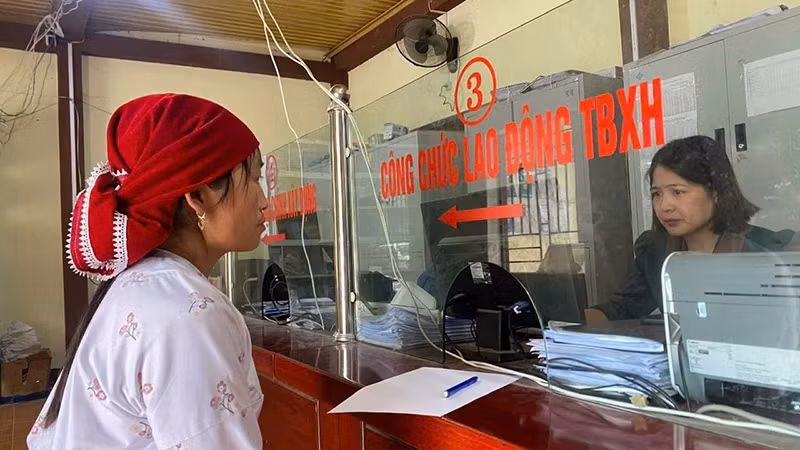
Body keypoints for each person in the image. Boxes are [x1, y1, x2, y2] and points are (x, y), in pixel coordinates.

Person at [28, 94, 268, 449]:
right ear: (197, 197)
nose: (264, 200)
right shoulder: (189, 316)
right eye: (253, 179)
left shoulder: (141, 285)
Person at [588, 135, 798, 322]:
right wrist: (565, 321)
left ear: (716, 193)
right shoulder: (655, 252)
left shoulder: (772, 252)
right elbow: (624, 309)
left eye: (678, 192)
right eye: (656, 194)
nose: (664, 206)